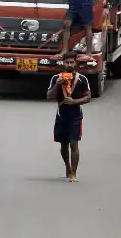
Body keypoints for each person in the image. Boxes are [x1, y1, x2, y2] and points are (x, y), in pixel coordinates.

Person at [46, 53, 91, 182]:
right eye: (67, 62)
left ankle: (74, 174)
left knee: (74, 143)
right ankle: (67, 166)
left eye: (72, 62)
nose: (69, 65)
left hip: (75, 115)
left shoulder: (82, 79)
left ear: (76, 63)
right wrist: (58, 85)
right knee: (64, 144)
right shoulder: (56, 78)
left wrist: (74, 102)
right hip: (61, 115)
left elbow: (88, 97)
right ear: (63, 63)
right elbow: (49, 96)